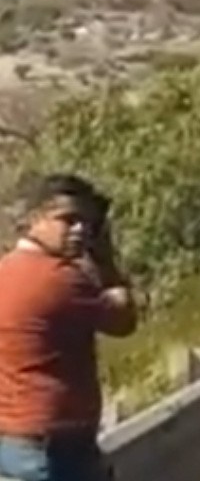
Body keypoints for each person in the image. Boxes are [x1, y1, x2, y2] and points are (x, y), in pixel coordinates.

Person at [0, 173, 138, 481]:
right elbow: (123, 320)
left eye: (87, 224)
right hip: (57, 449)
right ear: (34, 219)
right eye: (69, 219)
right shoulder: (63, 279)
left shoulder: (5, 270)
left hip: (14, 441)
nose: (81, 231)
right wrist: (106, 263)